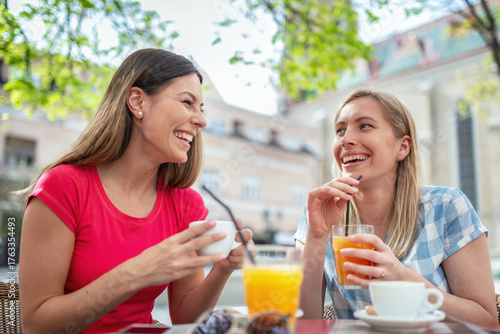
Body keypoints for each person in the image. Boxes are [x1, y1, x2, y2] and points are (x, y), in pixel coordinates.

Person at [19, 48, 253, 333]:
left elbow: (185, 319)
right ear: (137, 101)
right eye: (187, 102)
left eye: (201, 109)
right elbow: (35, 325)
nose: (201, 121)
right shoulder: (63, 187)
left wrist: (222, 269)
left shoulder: (185, 204)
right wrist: (136, 273)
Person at [294, 88, 498, 325]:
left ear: (402, 147)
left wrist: (402, 276)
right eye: (340, 130)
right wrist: (317, 239)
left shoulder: (446, 207)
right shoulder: (319, 213)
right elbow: (302, 324)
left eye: (365, 126)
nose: (346, 139)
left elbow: (487, 321)